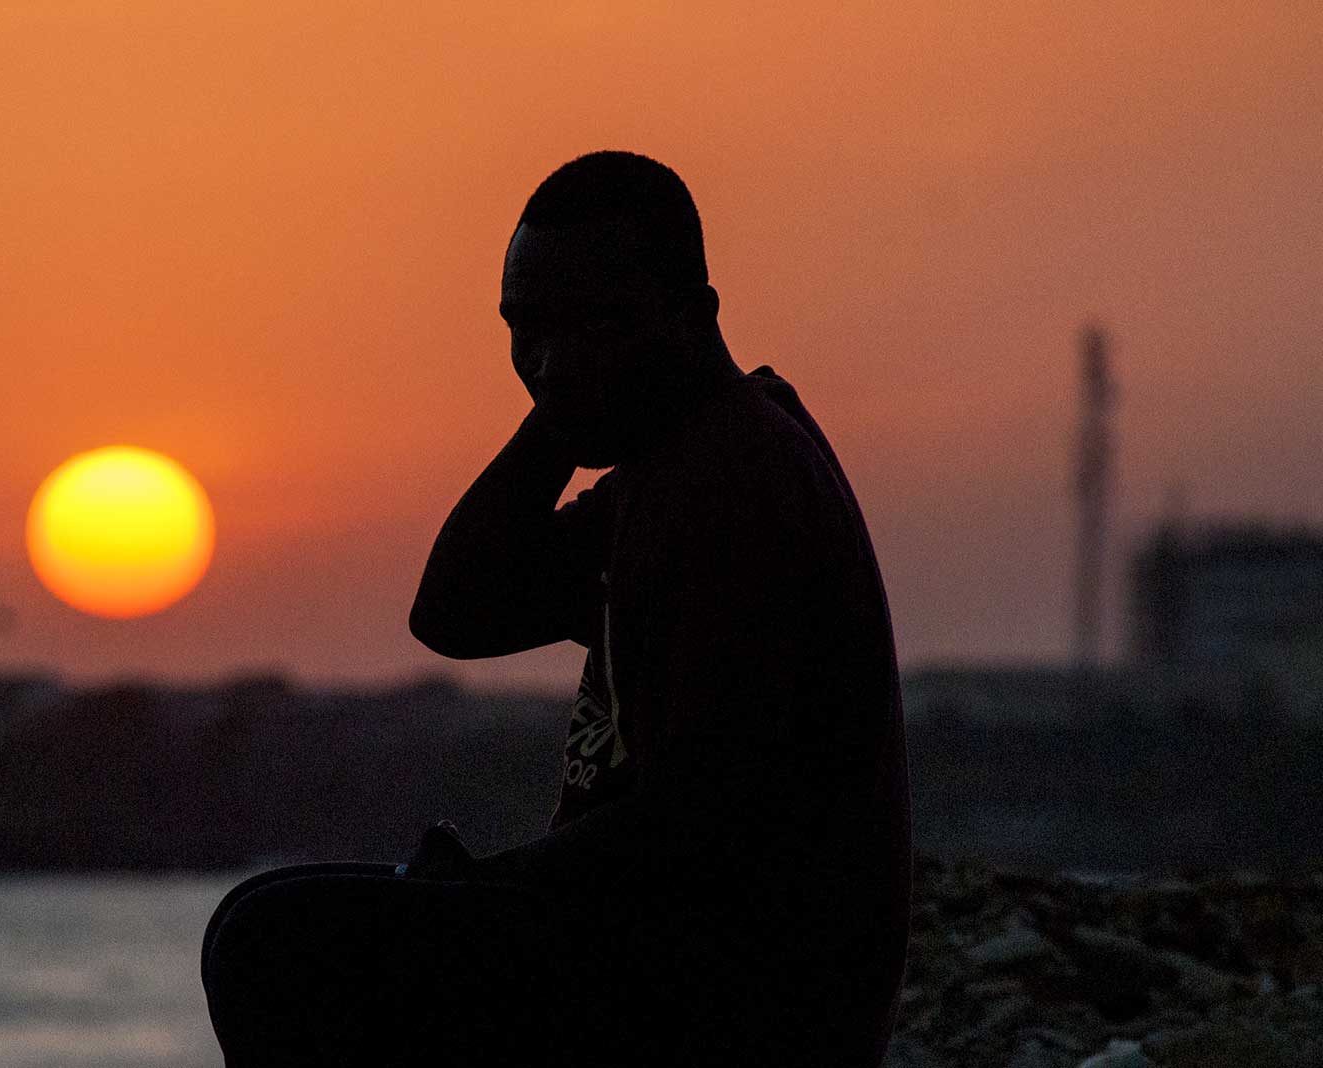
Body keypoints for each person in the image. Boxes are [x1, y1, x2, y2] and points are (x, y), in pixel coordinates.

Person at [202, 150, 912, 1066]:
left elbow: (700, 821)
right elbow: (456, 609)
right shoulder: (662, 474)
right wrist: (563, 398)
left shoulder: (740, 481)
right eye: (525, 329)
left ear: (694, 316)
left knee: (278, 942)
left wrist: (481, 888)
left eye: (598, 325)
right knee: (262, 915)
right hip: (654, 964)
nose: (549, 359)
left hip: (733, 1005)